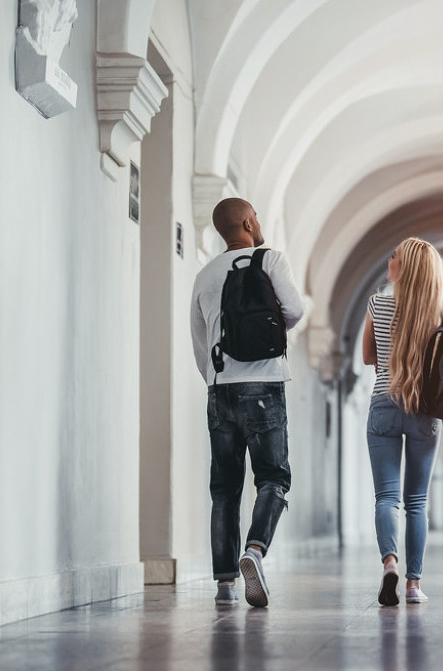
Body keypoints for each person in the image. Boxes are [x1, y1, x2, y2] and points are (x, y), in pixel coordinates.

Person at [190, 197, 305, 607]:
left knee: (224, 488)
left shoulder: (204, 274)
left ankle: (224, 584)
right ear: (246, 221)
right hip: (265, 383)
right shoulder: (269, 259)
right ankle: (254, 551)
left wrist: (218, 377)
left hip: (220, 388)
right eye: (254, 215)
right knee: (273, 477)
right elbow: (295, 310)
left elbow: (200, 343)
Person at [362, 237, 443, 606]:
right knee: (417, 502)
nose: (388, 258)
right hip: (424, 410)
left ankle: (389, 564)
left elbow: (368, 358)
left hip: (383, 403)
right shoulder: (438, 310)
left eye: (393, 255)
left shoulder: (376, 303)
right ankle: (413, 585)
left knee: (386, 498)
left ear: (404, 267)